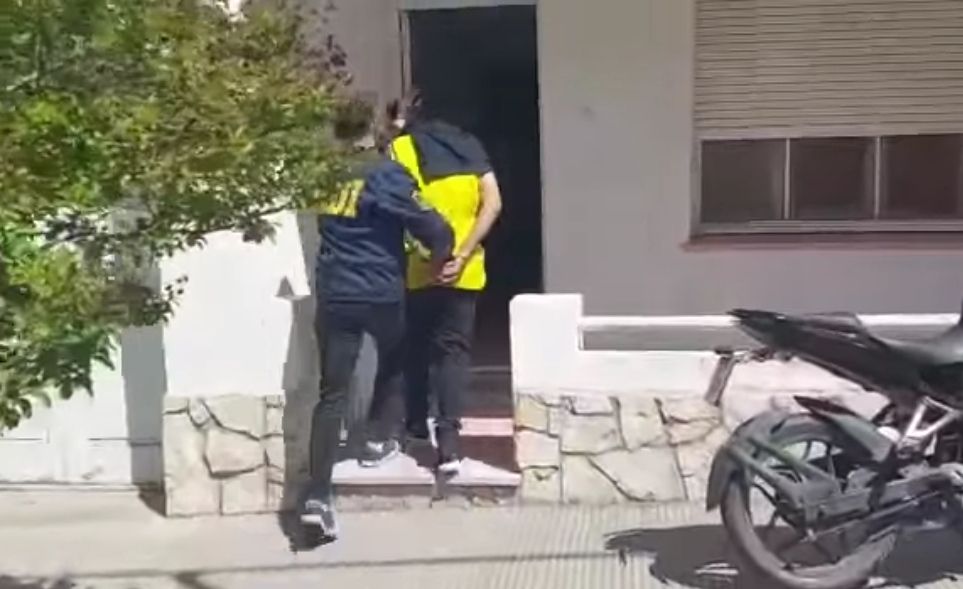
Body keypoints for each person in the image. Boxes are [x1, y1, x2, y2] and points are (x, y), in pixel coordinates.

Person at [302, 98, 454, 540]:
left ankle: (317, 496)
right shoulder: (385, 174)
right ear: (372, 129)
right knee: (398, 357)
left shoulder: (327, 175)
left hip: (335, 293)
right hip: (380, 292)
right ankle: (375, 438)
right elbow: (436, 228)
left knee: (331, 394)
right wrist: (440, 258)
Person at [387, 91, 503, 475]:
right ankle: (450, 443)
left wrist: (433, 257)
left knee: (416, 349)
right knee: (452, 353)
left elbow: (399, 206)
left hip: (419, 269)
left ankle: (416, 427)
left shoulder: (401, 149)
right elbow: (493, 204)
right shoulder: (471, 148)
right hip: (464, 271)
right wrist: (463, 254)